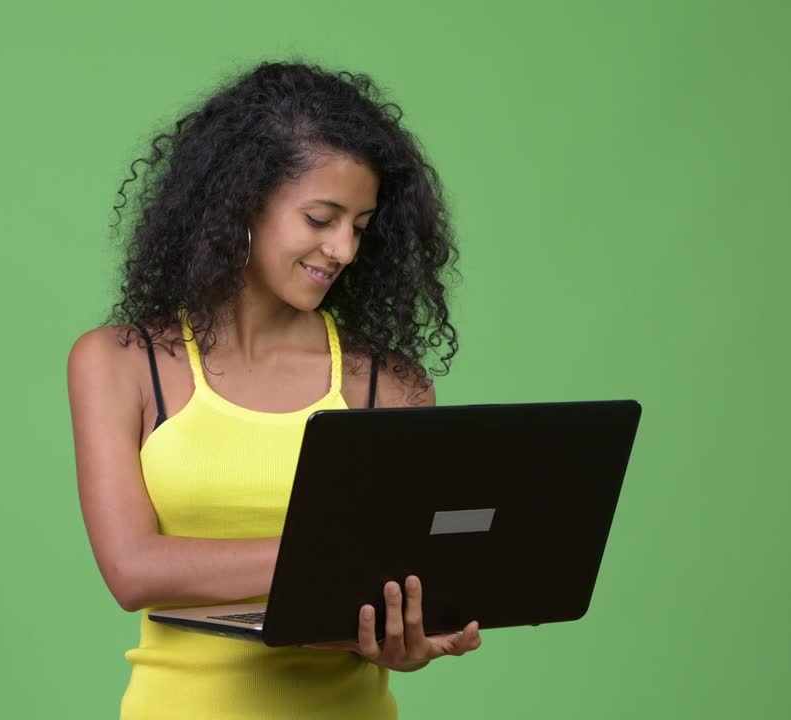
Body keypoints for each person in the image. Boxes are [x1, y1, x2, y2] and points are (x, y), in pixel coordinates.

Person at [66, 59, 481, 720]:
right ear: (242, 202)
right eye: (321, 218)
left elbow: (398, 576)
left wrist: (394, 638)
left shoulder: (391, 385)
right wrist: (338, 555)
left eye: (360, 226)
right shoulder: (119, 363)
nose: (343, 249)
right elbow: (133, 569)